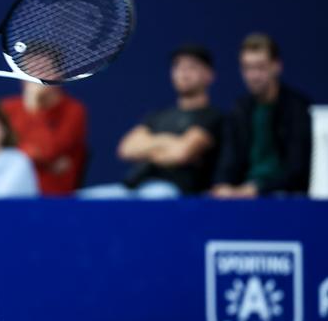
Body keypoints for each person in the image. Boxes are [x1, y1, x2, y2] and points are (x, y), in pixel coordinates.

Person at [79, 44, 222, 198]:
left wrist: (149, 145)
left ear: (209, 75)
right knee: (80, 200)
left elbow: (180, 153)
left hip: (175, 192)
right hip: (133, 186)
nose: (184, 73)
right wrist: (167, 141)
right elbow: (126, 149)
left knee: (154, 196)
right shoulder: (158, 116)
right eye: (178, 67)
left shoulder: (212, 117)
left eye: (192, 67)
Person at [212, 33, 312, 198]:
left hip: (285, 197)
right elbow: (228, 161)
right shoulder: (240, 108)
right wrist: (222, 185)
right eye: (247, 68)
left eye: (260, 67)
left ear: (276, 66)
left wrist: (258, 189)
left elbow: (297, 170)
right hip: (243, 196)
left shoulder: (298, 108)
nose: (254, 75)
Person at [1, 81, 87, 195]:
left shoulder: (74, 110)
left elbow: (47, 152)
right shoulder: (7, 108)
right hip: (6, 198)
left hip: (54, 200)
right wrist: (38, 159)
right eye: (28, 68)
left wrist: (35, 107)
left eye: (44, 66)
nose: (34, 76)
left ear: (59, 75)